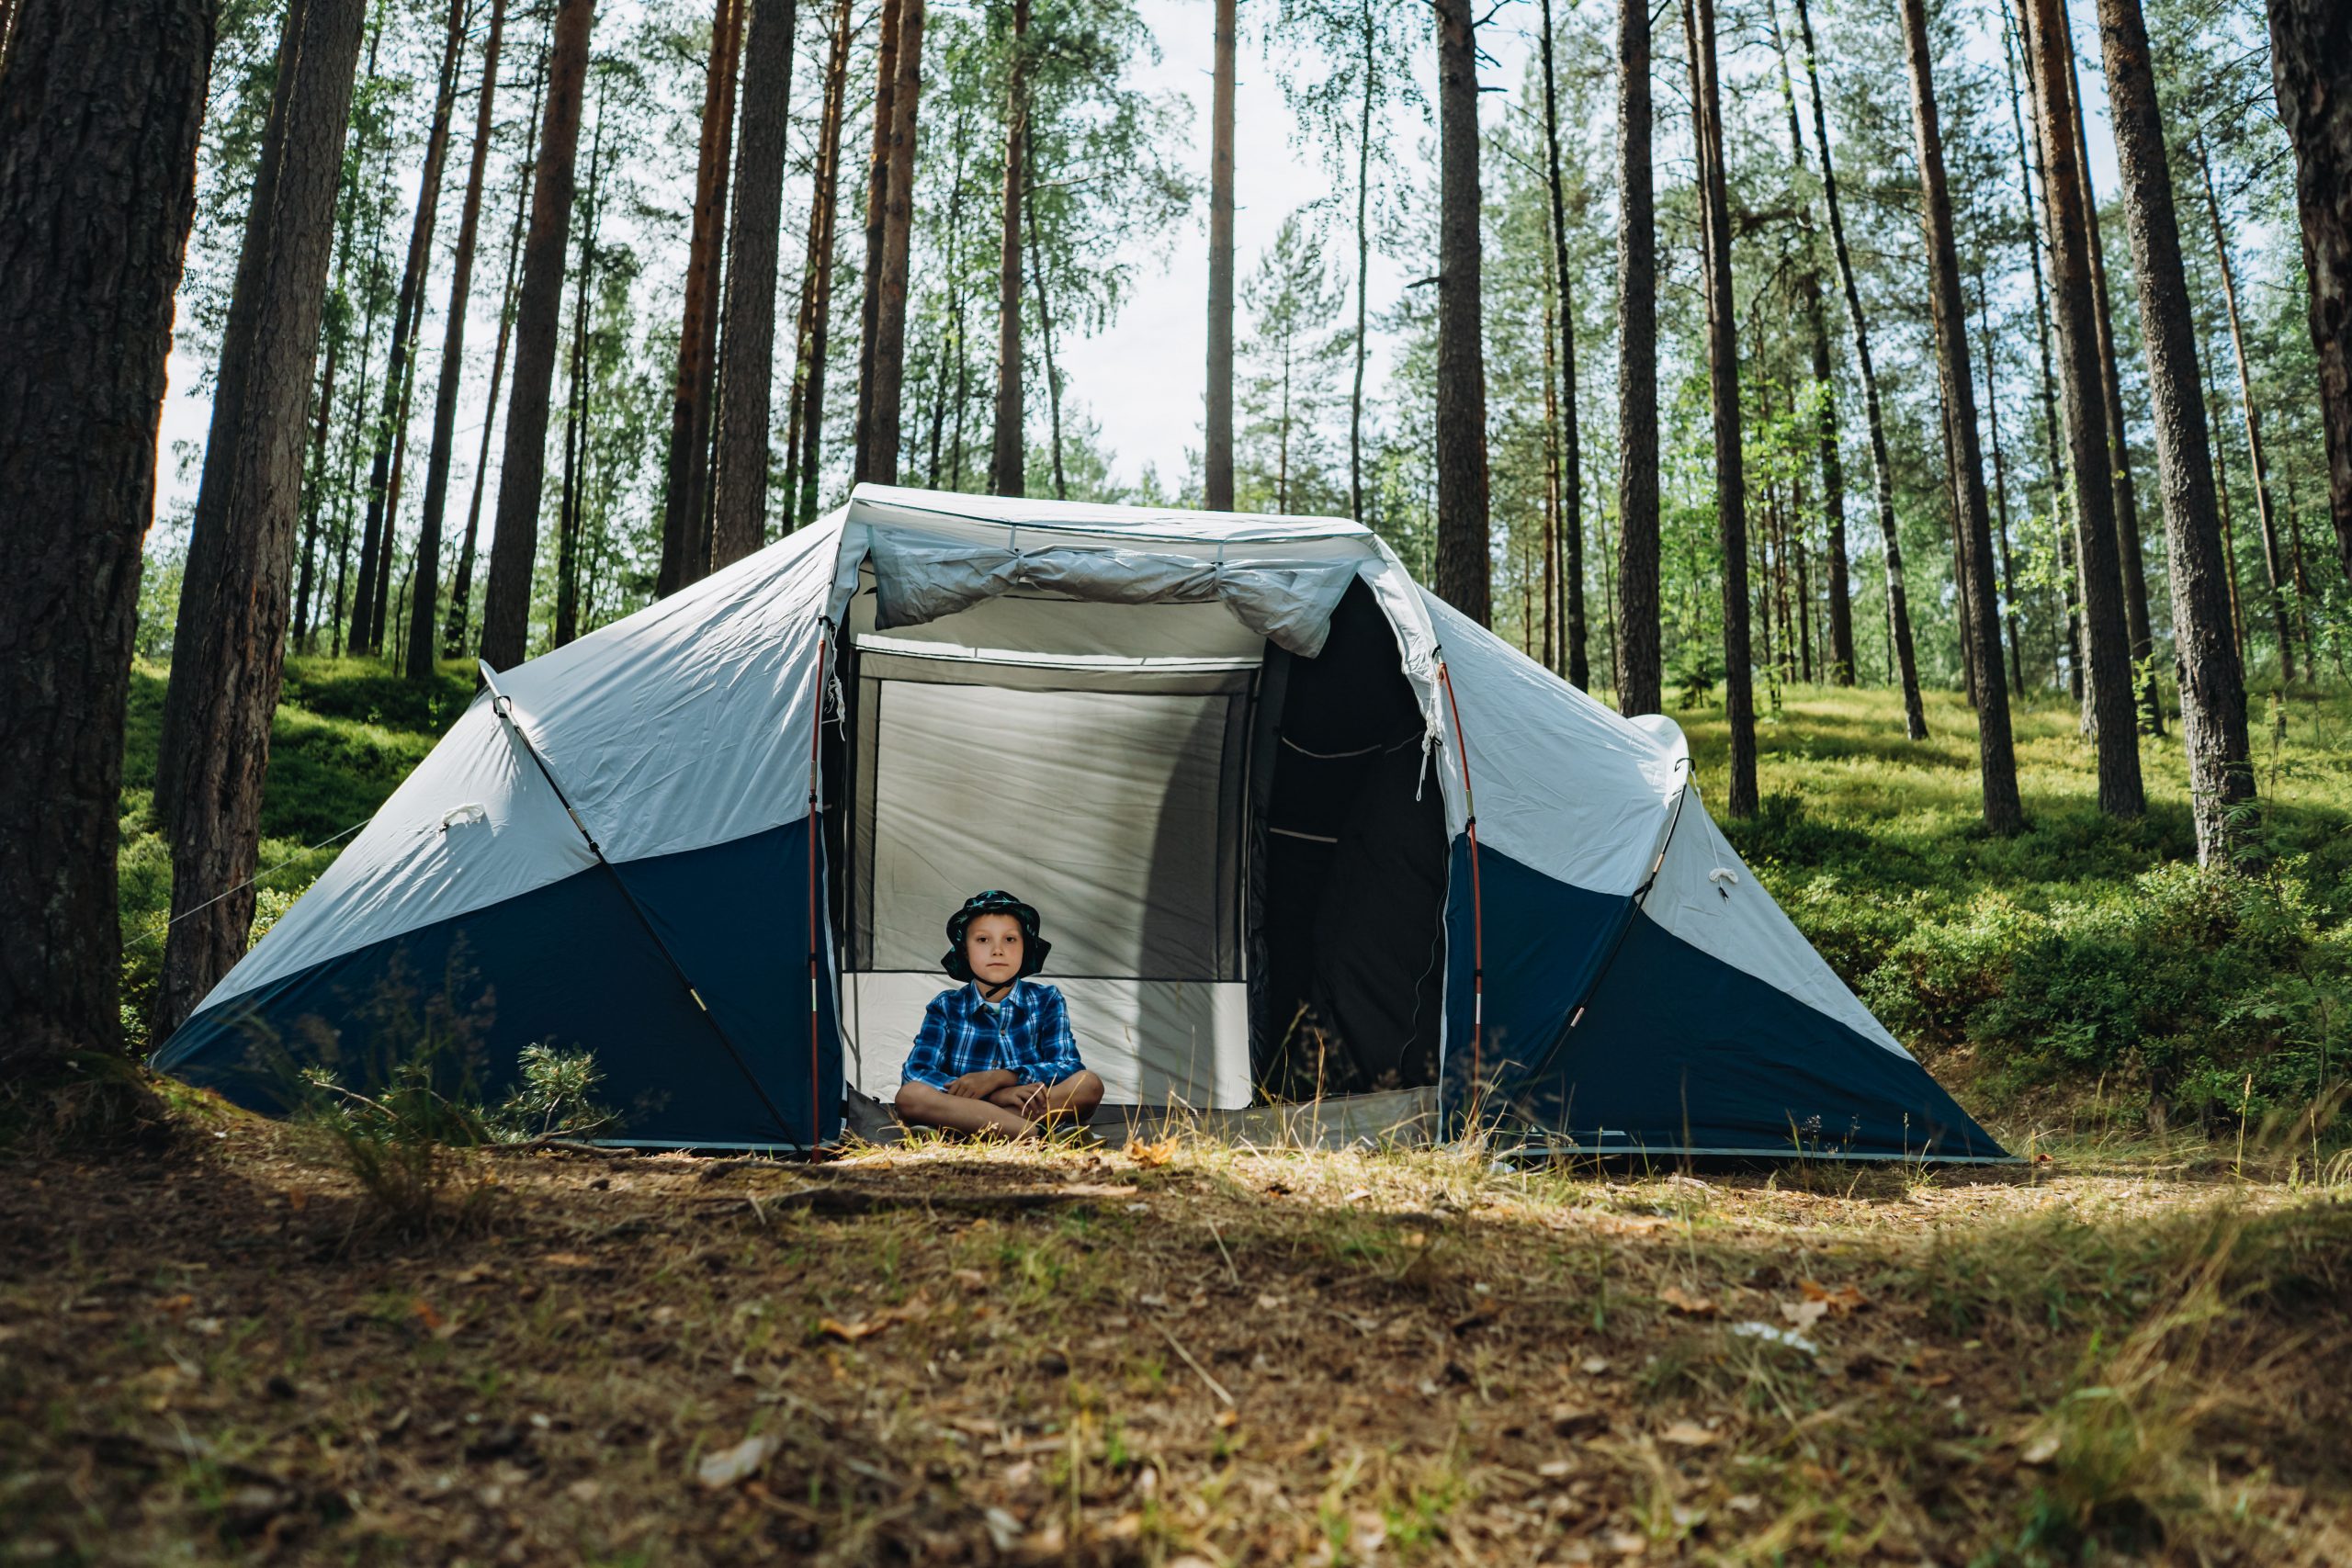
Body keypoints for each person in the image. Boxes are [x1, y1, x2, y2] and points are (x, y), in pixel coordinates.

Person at [894, 890, 1104, 1137]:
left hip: (1022, 1103)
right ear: (964, 951)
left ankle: (968, 1130)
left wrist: (1005, 1078)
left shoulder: (1047, 999)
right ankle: (1034, 1134)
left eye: (1010, 940)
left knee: (1088, 1084)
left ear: (1026, 948)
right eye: (983, 940)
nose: (997, 950)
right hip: (969, 1104)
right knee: (910, 1096)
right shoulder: (946, 1006)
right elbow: (916, 1072)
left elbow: (1068, 1065)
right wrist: (994, 1094)